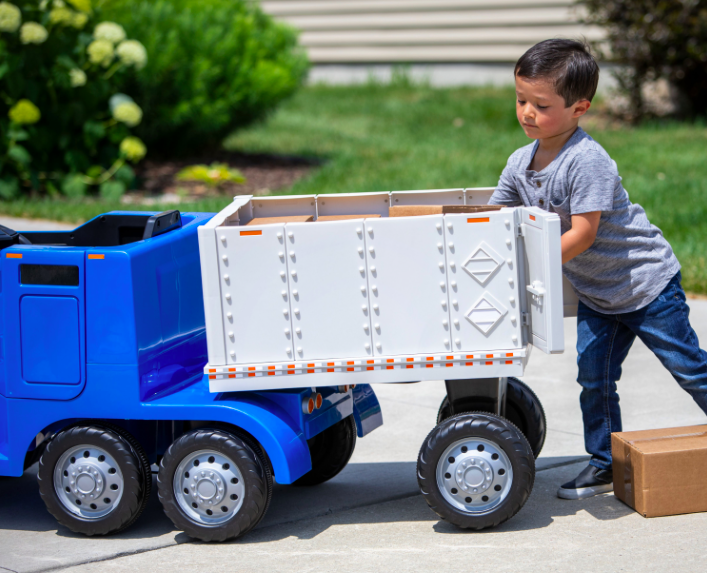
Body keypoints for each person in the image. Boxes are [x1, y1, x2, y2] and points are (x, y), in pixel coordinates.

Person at [488, 38, 707, 500]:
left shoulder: (588, 161)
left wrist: (529, 265)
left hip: (645, 286)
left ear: (579, 108)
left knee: (688, 368)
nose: (526, 112)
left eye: (540, 105)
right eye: (520, 99)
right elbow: (495, 219)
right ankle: (605, 463)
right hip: (598, 296)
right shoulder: (518, 163)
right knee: (595, 378)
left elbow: (584, 233)